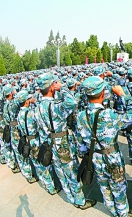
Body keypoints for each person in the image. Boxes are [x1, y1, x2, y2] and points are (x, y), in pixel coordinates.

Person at [76, 76, 132, 216]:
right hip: (112, 157)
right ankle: (123, 213)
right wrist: (123, 94)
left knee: (104, 186)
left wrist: (85, 154)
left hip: (95, 157)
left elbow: (80, 143)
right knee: (118, 186)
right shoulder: (110, 114)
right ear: (103, 93)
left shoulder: (80, 116)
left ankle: (112, 211)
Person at [35, 72, 96, 209]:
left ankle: (70, 196)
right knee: (72, 172)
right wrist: (62, 88)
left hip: (50, 144)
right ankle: (80, 201)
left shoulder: (37, 107)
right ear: (51, 87)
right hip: (62, 143)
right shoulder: (55, 106)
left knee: (60, 172)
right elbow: (72, 102)